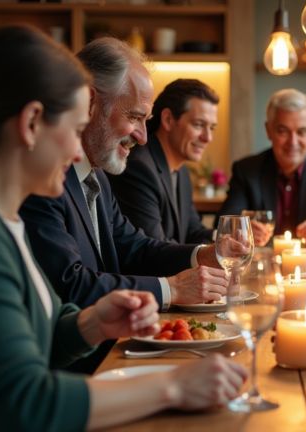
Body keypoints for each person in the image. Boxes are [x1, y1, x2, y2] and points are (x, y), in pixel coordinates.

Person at [0, 26, 247, 432]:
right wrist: (172, 386)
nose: (77, 152)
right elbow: (22, 404)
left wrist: (91, 324)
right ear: (32, 123)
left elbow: (32, 340)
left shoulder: (1, 218)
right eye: (74, 131)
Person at [19, 38, 230, 312]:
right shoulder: (44, 178)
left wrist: (202, 254)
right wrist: (173, 289)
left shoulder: (98, 178)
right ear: (90, 102)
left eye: (146, 120)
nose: (143, 138)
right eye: (134, 117)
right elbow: (68, 285)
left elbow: (133, 249)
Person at [218, 88, 306, 245]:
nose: (293, 142)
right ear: (269, 131)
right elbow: (223, 228)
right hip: (259, 266)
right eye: (283, 131)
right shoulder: (246, 170)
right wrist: (242, 232)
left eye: (301, 132)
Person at [106, 79, 217, 244]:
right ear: (168, 119)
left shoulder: (182, 171)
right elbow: (153, 251)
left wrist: (226, 238)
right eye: (198, 124)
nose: (207, 137)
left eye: (212, 127)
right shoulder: (139, 167)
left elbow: (193, 230)